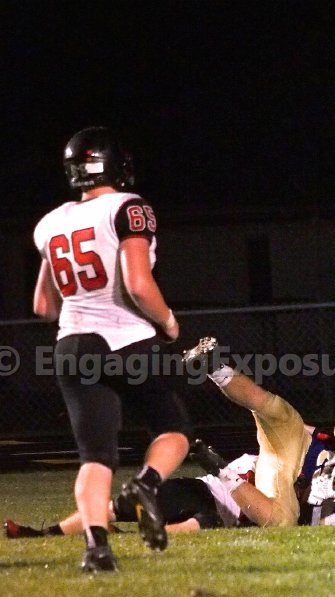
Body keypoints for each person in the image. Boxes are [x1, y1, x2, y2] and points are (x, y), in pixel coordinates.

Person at [32, 126, 192, 573]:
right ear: (117, 165)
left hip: (72, 344)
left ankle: (97, 549)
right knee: (174, 428)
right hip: (127, 339)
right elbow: (138, 283)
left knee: (95, 457)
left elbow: (43, 305)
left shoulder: (51, 222)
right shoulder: (128, 207)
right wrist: (168, 321)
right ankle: (145, 484)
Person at [4, 418, 335, 541]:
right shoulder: (301, 450)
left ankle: (125, 537)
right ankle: (46, 533)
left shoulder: (319, 497)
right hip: (211, 490)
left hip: (236, 510)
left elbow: (288, 518)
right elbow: (327, 429)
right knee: (125, 504)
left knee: (203, 524)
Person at [182, 338, 335, 527]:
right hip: (300, 445)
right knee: (279, 410)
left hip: (290, 484)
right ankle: (213, 365)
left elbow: (316, 527)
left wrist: (322, 498)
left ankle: (218, 468)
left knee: (282, 522)